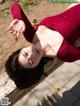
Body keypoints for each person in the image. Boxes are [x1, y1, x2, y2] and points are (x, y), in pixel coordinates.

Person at [7, 2, 80, 69]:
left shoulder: (30, 35)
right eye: (31, 62)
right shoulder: (65, 54)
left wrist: (19, 19)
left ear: (22, 49)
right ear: (36, 66)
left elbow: (15, 5)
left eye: (25, 54)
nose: (31, 55)